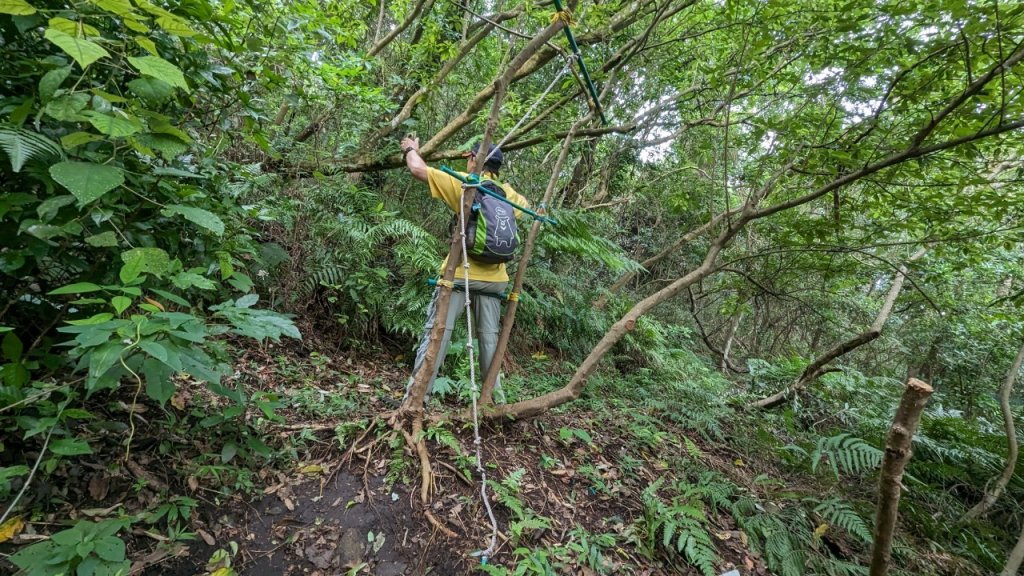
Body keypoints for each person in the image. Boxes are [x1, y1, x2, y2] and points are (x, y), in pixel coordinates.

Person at [399, 135, 529, 405]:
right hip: (496, 281)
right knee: (490, 342)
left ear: (473, 160)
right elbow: (525, 209)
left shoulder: (465, 184)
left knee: (438, 334)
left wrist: (411, 148)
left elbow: (417, 169)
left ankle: (415, 400)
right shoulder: (509, 194)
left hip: (458, 276)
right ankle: (495, 402)